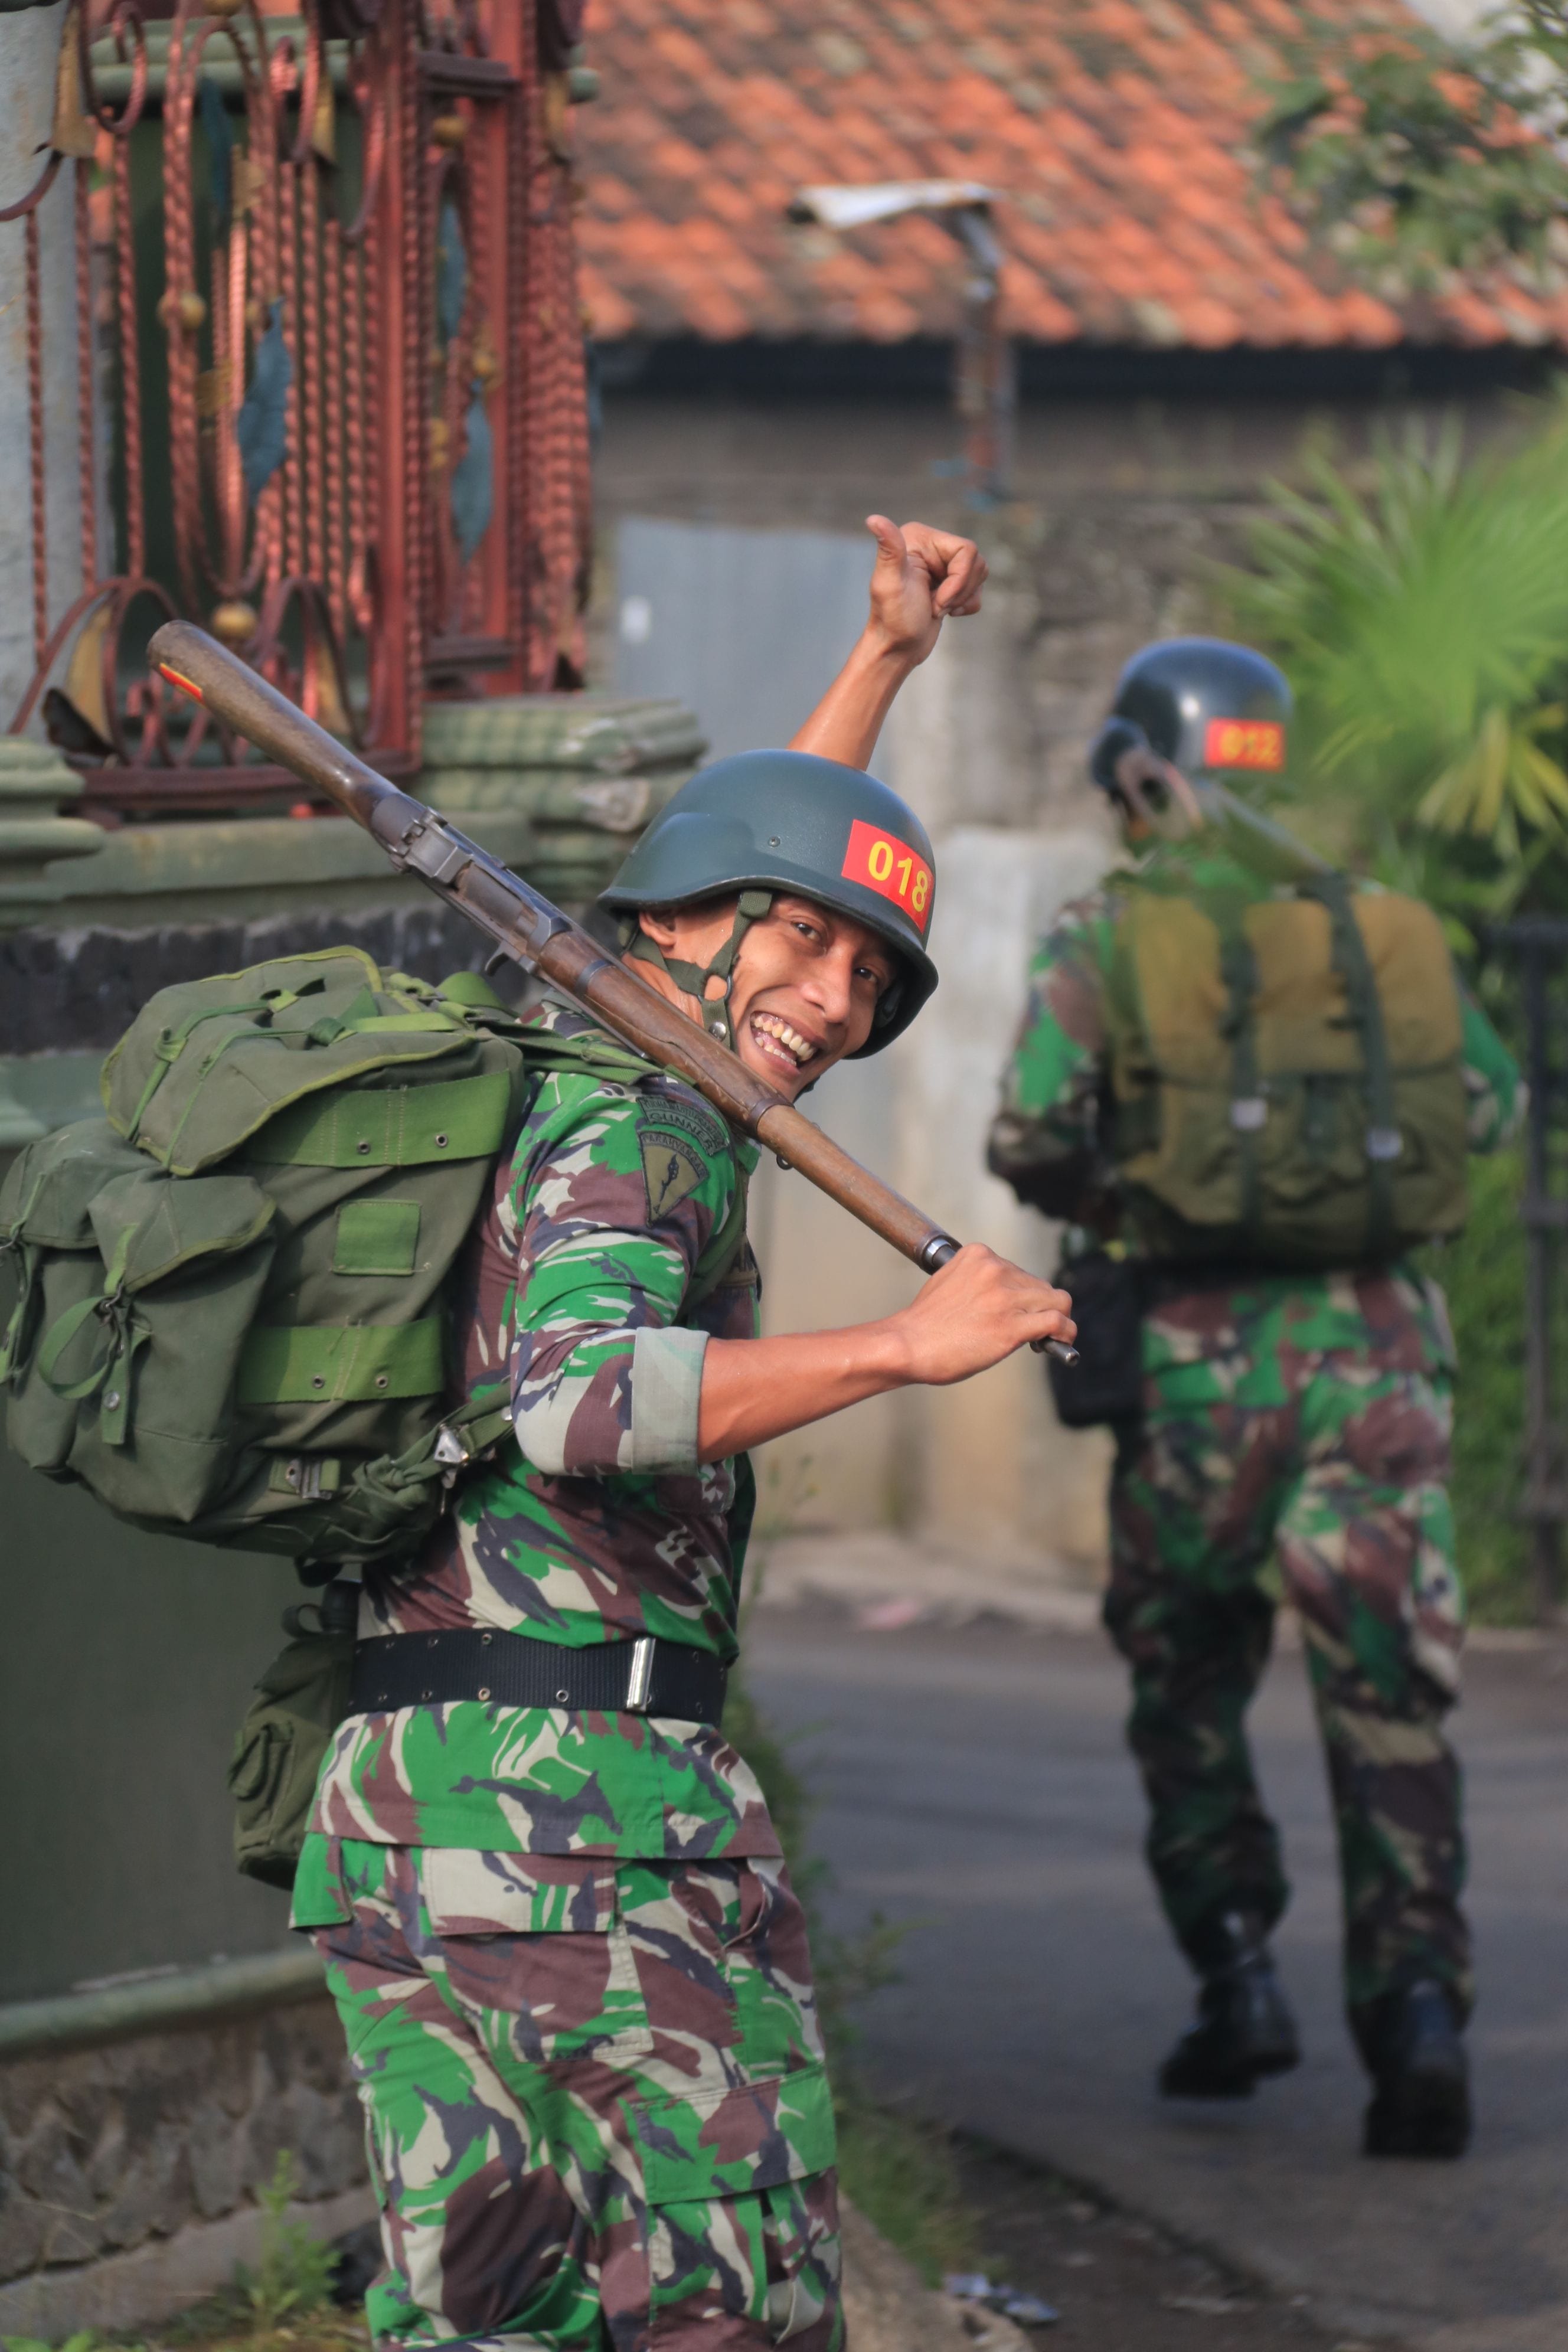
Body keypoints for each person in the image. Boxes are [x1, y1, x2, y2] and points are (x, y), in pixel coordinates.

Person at [289, 517, 1077, 2350]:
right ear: (673, 926)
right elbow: (580, 1404)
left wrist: (883, 661)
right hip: (587, 1824)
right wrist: (899, 1346)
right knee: (722, 2308)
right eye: (803, 948)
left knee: (491, 2321)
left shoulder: (590, 1066)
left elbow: (773, 853)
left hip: (418, 1809)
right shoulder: (636, 1133)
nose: (835, 996)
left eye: (871, 978)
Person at [987, 638, 1522, 2162]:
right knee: (1389, 1696)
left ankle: (1236, 1979)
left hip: (1192, 1377)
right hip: (1382, 1374)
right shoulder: (1380, 934)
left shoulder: (1112, 932)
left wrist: (1146, 1185)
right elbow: (1485, 1105)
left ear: (1139, 769)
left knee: (1188, 1687)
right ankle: (1418, 2015)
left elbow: (1029, 1134)